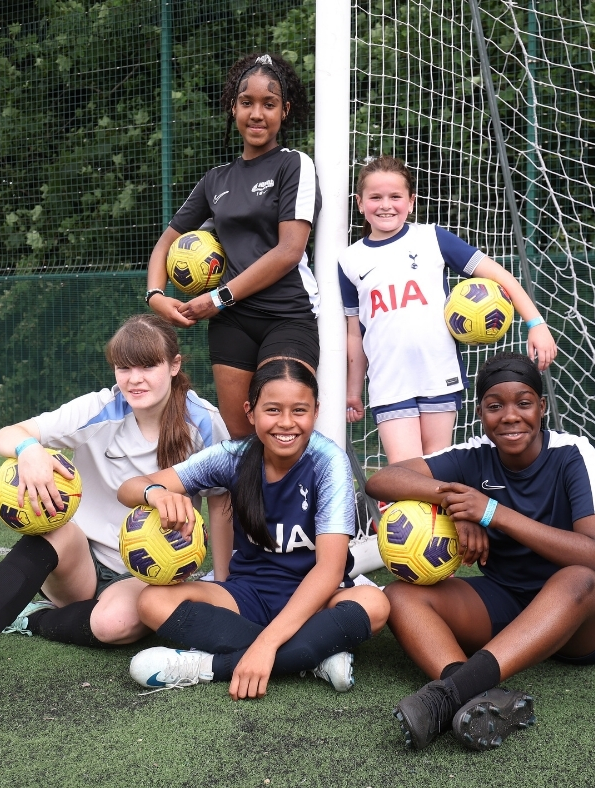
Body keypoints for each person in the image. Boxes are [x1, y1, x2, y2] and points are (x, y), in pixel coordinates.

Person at [0, 314, 231, 727]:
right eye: (124, 367)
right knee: (49, 530)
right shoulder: (98, 408)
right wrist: (29, 449)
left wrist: (222, 581)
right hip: (79, 561)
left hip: (148, 573)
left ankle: (30, 618)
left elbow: (221, 501)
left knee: (113, 624)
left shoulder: (204, 421)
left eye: (148, 366)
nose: (134, 379)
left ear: (174, 365)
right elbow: (6, 434)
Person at [364, 352, 595, 751]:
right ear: (481, 413)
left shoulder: (573, 453)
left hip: (582, 621)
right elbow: (383, 480)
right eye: (495, 406)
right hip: (506, 601)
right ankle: (478, 699)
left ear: (542, 407)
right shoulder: (475, 455)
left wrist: (491, 513)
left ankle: (446, 697)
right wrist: (453, 503)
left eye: (524, 403)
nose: (510, 416)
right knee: (401, 595)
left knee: (579, 578)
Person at [117, 358, 389, 699]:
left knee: (374, 604)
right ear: (251, 412)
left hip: (316, 600)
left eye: (299, 410)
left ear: (316, 412)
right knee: (152, 602)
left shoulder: (328, 461)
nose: (286, 423)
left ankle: (209, 666)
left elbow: (329, 570)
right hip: (247, 595)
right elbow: (128, 488)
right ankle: (311, 655)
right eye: (272, 410)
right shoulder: (233, 456)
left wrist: (267, 644)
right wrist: (155, 494)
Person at [146, 53, 321, 439]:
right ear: (233, 107)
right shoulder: (216, 180)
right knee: (242, 441)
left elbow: (289, 251)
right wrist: (156, 296)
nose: (257, 113)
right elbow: (164, 245)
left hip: (287, 315)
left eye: (269, 104)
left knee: (283, 431)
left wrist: (218, 298)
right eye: (247, 102)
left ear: (285, 111)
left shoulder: (294, 165)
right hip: (231, 323)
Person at [338, 155, 558, 463]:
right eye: (375, 197)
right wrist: (352, 390)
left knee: (438, 469)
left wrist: (536, 324)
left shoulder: (432, 238)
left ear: (411, 202)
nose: (385, 205)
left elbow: (500, 276)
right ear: (360, 204)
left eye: (395, 196)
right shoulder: (349, 260)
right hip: (388, 382)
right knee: (407, 473)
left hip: (438, 374)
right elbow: (355, 333)